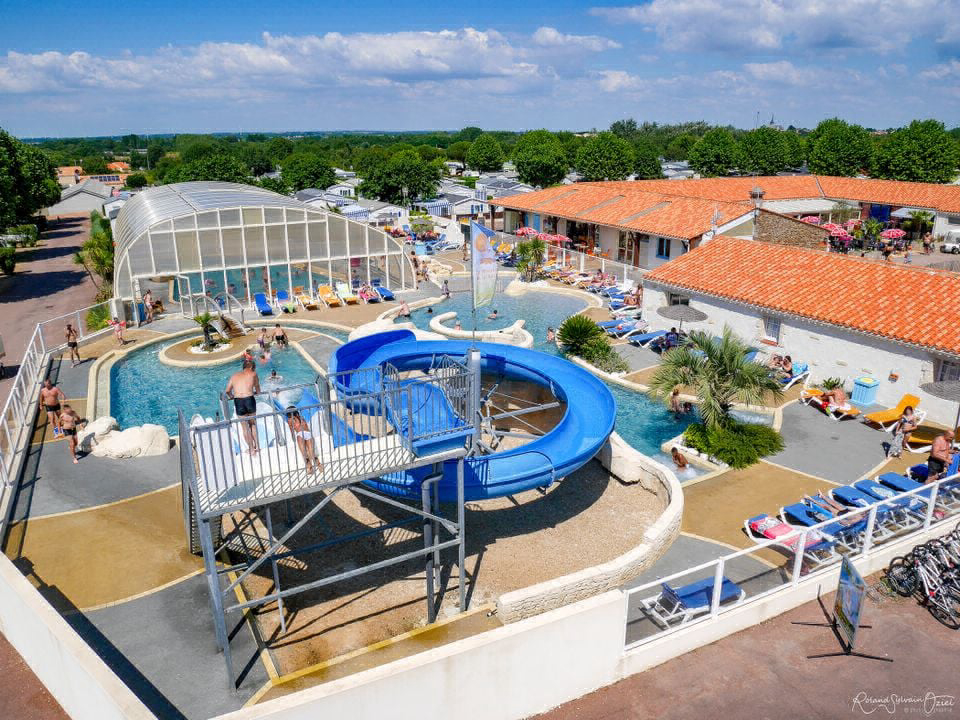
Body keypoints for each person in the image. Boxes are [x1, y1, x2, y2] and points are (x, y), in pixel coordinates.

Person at [226, 360, 261, 455]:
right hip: (249, 399)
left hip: (239, 401)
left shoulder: (234, 376)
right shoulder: (253, 374)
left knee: (244, 427)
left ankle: (251, 450)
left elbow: (227, 390)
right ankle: (257, 447)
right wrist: (255, 392)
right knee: (252, 424)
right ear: (252, 367)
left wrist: (232, 397)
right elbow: (258, 390)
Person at [286, 407, 320, 474]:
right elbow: (306, 426)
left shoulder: (289, 420)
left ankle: (310, 468)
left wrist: (293, 438)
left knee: (304, 453)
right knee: (311, 452)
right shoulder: (301, 417)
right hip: (308, 433)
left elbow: (292, 431)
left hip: (300, 435)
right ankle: (319, 466)